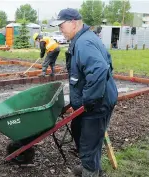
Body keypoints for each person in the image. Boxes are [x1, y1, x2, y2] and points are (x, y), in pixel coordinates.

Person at [50, 8, 118, 177]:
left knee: (88, 144)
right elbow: (107, 64)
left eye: (62, 25)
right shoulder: (83, 39)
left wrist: (88, 99)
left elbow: (100, 70)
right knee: (85, 137)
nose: (60, 30)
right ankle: (94, 170)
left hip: (96, 104)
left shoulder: (84, 43)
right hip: (94, 101)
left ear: (73, 23)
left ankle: (90, 172)